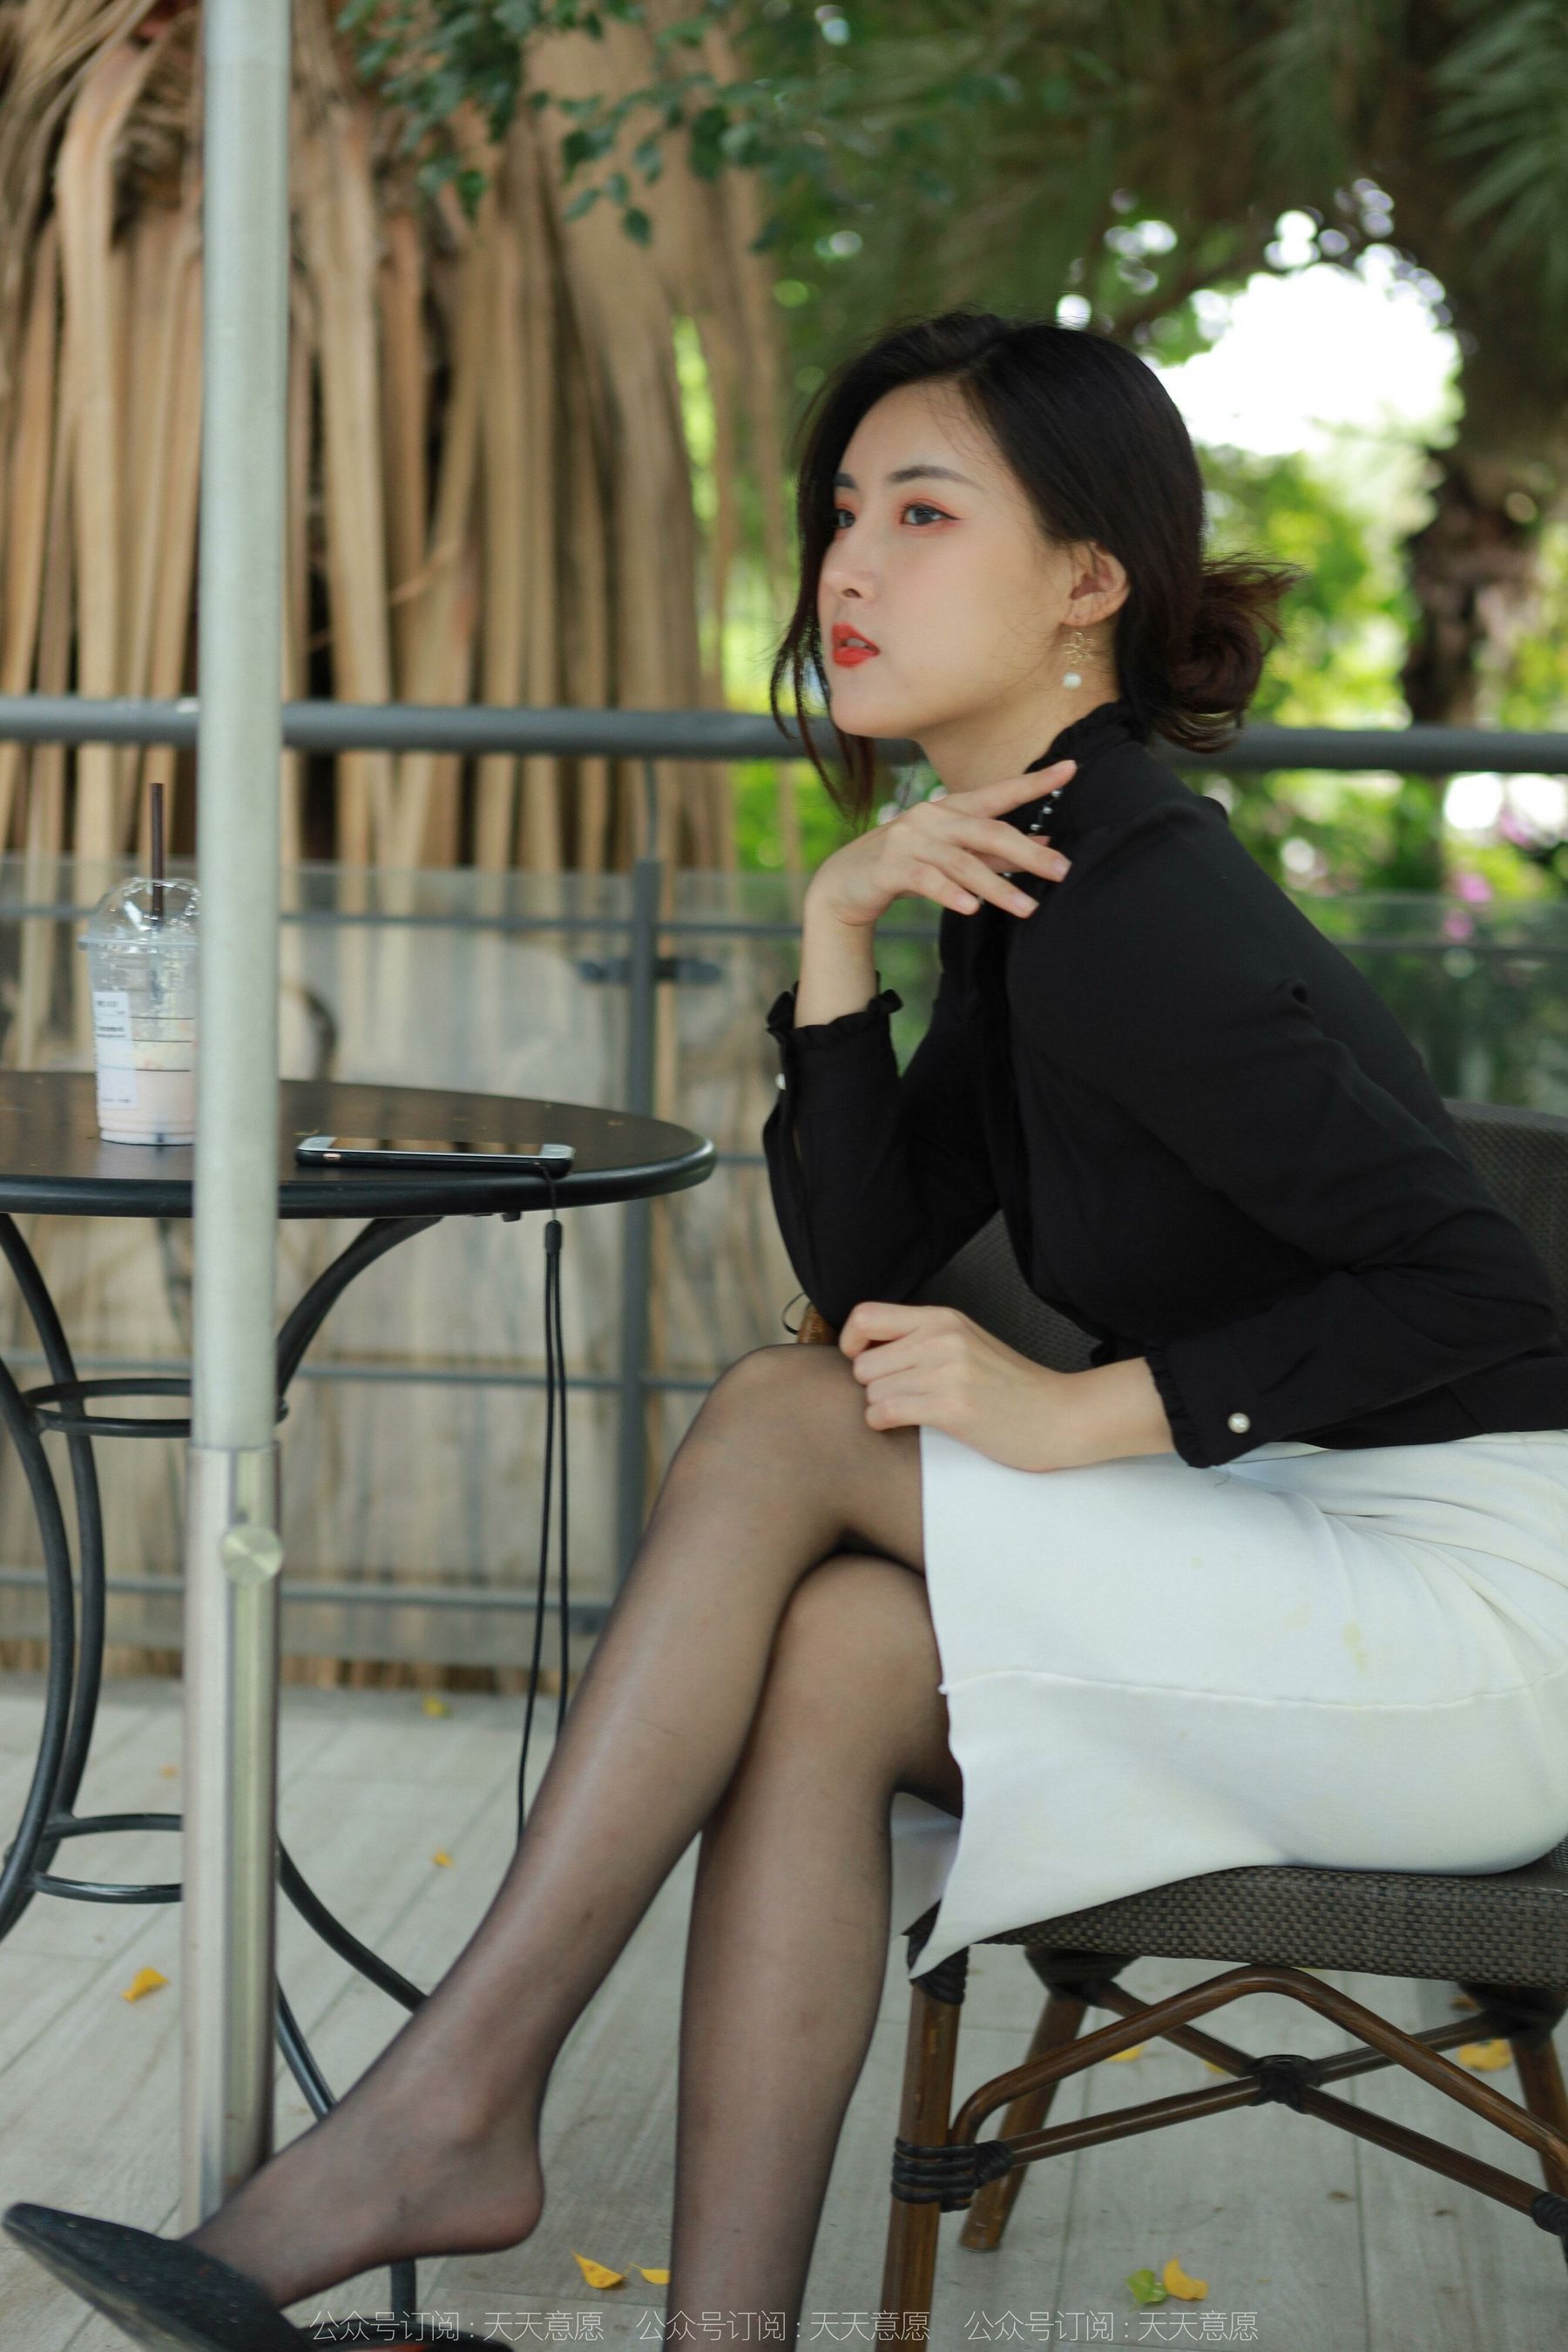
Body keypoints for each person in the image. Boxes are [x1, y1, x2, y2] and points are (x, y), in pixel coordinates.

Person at [9, 305, 1568, 2351]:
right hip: (1301, 1558)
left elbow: (1486, 1295)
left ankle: (447, 2114)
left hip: (1472, 1624)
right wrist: (839, 926)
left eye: (924, 514)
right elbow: (868, 1274)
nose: (848, 567)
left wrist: (1076, 1410)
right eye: (842, 514)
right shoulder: (1031, 873)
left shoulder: (1135, 908)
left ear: (1088, 581)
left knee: (776, 1417)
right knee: (832, 1650)